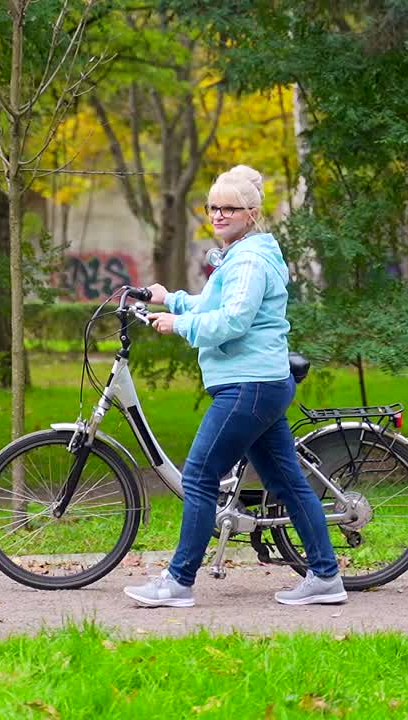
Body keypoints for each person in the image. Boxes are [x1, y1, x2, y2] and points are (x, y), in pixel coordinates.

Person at [123, 165, 346, 608]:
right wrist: (170, 298)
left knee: (201, 475)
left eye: (230, 208)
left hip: (249, 385)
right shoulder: (240, 256)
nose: (219, 215)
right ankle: (325, 577)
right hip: (258, 382)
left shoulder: (249, 260)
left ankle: (179, 582)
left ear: (252, 213)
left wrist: (179, 324)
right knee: (288, 483)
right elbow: (213, 304)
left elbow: (233, 320)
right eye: (213, 207)